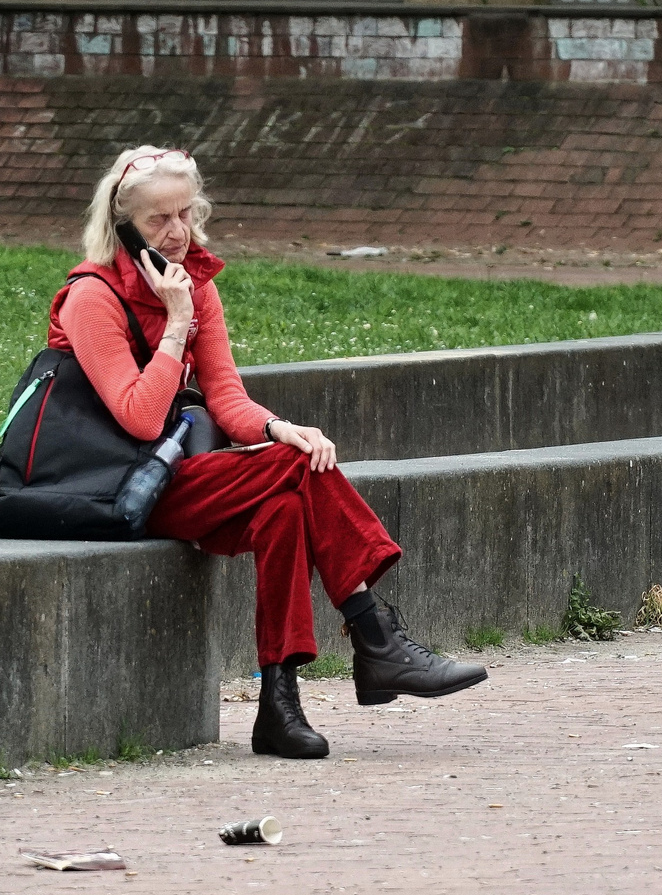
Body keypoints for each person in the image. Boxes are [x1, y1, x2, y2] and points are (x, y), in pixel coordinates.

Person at [48, 144, 487, 759]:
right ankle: (374, 633)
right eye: (158, 221)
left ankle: (279, 709)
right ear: (122, 226)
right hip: (109, 489)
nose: (176, 234)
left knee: (285, 501)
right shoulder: (92, 297)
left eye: (185, 214)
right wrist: (175, 326)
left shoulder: (195, 288)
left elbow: (226, 396)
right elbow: (142, 420)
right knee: (289, 473)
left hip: (170, 476)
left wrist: (280, 428)